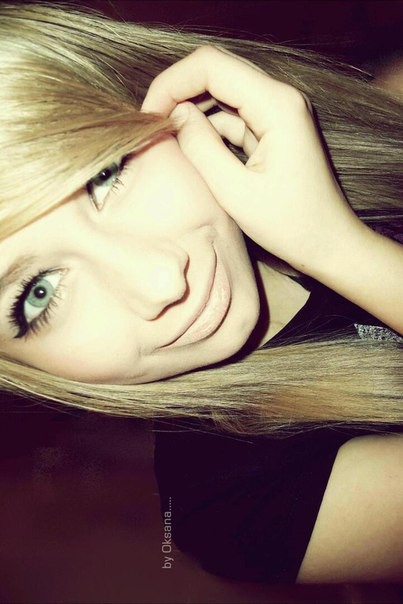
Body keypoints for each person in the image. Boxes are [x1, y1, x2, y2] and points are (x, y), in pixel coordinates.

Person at [0, 1, 403, 583]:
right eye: (37, 293)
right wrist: (337, 249)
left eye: (105, 174)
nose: (161, 282)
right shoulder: (241, 509)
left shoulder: (378, 106)